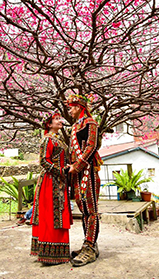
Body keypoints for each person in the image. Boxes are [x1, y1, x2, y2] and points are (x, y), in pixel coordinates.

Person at [30, 111, 72, 265]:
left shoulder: (58, 139)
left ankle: (57, 252)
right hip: (50, 182)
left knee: (58, 214)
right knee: (50, 216)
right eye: (56, 119)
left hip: (58, 181)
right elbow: (43, 162)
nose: (60, 121)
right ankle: (49, 253)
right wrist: (61, 171)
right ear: (49, 124)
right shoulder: (47, 140)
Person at [66, 94, 102, 267]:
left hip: (88, 170)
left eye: (72, 107)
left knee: (91, 209)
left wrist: (78, 165)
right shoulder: (75, 126)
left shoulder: (91, 124)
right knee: (83, 208)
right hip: (77, 172)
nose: (70, 111)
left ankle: (90, 246)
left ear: (79, 107)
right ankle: (88, 244)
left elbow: (91, 146)